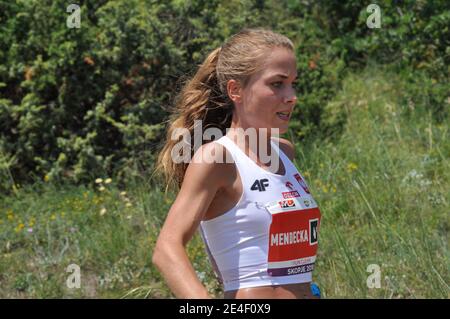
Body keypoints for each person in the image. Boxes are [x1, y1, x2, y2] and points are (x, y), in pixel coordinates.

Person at [153, 28, 322, 299]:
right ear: (235, 90)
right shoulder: (217, 158)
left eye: (293, 83)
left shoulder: (285, 153)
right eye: (277, 84)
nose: (291, 96)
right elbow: (166, 248)